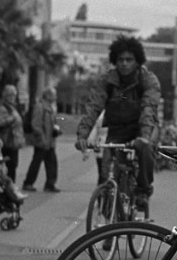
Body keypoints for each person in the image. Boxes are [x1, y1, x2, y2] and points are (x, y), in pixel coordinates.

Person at [76, 36, 162, 210]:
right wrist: (82, 136)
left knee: (146, 148)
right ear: (115, 61)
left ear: (137, 61)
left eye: (129, 59)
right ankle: (109, 208)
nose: (124, 64)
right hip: (117, 129)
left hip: (143, 128)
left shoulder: (148, 79)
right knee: (108, 172)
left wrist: (144, 137)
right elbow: (93, 107)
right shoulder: (106, 81)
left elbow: (149, 109)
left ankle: (143, 191)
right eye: (120, 59)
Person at [22, 88, 60, 193]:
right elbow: (36, 124)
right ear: (47, 96)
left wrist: (56, 130)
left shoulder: (50, 108)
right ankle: (28, 183)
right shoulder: (40, 107)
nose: (55, 97)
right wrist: (41, 138)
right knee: (36, 162)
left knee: (52, 163)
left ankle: (50, 184)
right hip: (42, 141)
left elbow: (51, 123)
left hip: (50, 141)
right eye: (54, 95)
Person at [0, 84, 26, 182]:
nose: (12, 97)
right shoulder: (3, 108)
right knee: (10, 166)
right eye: (10, 95)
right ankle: (10, 186)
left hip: (14, 141)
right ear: (5, 96)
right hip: (8, 142)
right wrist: (10, 119)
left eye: (14, 95)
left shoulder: (12, 108)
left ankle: (11, 186)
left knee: (13, 165)